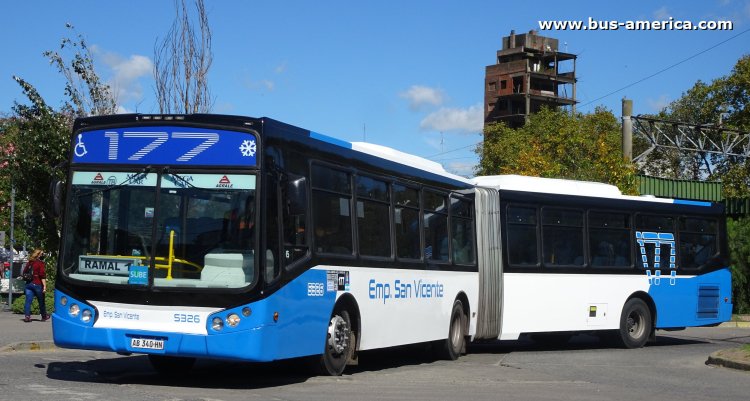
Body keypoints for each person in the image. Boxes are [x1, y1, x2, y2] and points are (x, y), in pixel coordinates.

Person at [21, 248, 49, 323]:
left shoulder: (30, 262)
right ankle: (44, 316)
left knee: (28, 301)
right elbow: (42, 275)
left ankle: (27, 316)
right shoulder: (40, 263)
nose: (43, 255)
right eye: (42, 254)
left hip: (28, 284)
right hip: (37, 284)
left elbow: (24, 272)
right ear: (39, 254)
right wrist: (45, 286)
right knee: (41, 301)